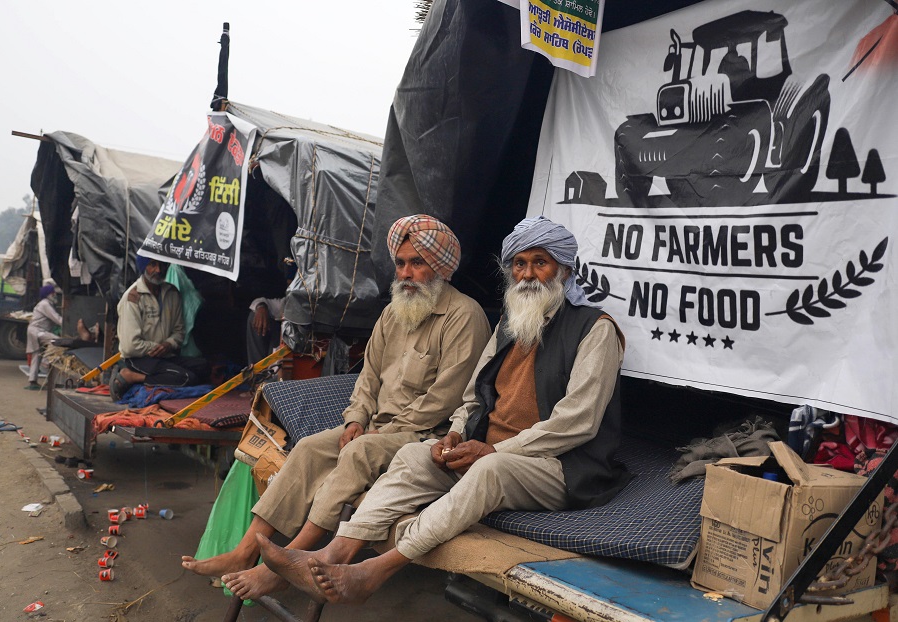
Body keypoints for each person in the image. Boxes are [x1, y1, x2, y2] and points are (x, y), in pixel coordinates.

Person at [247, 216, 631, 605]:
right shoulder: (511, 325)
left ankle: (375, 570)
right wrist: (456, 435)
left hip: (559, 466)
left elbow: (577, 422)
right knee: (414, 456)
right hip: (488, 451)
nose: (528, 274)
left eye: (540, 262)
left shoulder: (595, 329)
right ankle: (333, 555)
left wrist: (494, 451)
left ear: (564, 270)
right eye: (519, 263)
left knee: (488, 470)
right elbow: (473, 398)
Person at [183, 214, 491, 599]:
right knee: (311, 446)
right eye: (401, 263)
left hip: (424, 435)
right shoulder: (394, 311)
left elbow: (444, 400)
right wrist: (356, 419)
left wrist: (377, 432)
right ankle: (244, 552)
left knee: (360, 450)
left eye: (418, 263)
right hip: (378, 428)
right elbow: (367, 379)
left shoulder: (465, 316)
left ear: (441, 268)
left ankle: (287, 563)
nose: (407, 273)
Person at [110, 256, 208, 401]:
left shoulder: (172, 293)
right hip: (140, 358)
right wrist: (157, 347)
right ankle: (131, 376)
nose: (159, 270)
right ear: (144, 267)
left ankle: (157, 376)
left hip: (165, 355)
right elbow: (130, 346)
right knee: (186, 378)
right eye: (153, 265)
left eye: (162, 265)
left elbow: (179, 331)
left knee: (204, 366)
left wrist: (169, 344)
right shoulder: (133, 298)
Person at [25, 284, 62, 390]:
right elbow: (56, 318)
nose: (55, 295)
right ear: (48, 295)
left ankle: (32, 381)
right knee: (57, 341)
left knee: (36, 354)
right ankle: (45, 362)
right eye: (52, 293)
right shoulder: (45, 304)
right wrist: (70, 324)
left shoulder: (46, 304)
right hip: (37, 331)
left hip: (34, 331)